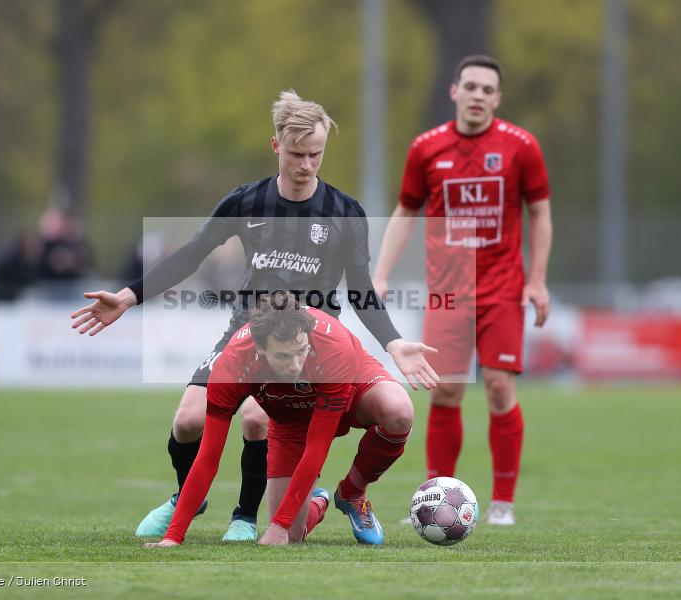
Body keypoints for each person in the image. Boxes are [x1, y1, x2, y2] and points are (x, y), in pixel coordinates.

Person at [71, 90, 437, 541]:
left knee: (267, 419)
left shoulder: (345, 212)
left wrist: (394, 341)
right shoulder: (246, 201)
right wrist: (128, 298)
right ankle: (189, 496)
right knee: (187, 421)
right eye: (297, 154)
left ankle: (253, 516)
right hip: (247, 331)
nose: (306, 165)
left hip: (316, 344)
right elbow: (191, 255)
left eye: (316, 154)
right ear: (276, 146)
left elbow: (360, 289)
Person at [372, 55, 553, 526]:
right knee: (446, 391)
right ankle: (433, 502)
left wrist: (536, 281)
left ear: (497, 98)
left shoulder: (520, 146)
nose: (477, 95)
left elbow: (540, 213)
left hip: (502, 288)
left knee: (498, 388)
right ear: (454, 91)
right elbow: (405, 213)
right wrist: (381, 274)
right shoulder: (426, 148)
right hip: (447, 293)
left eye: (487, 89)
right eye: (469, 86)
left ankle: (503, 503)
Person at [144, 293, 414, 547]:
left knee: (398, 410)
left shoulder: (334, 348)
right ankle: (317, 502)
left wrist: (280, 525)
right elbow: (208, 457)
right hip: (289, 418)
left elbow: (317, 446)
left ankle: (352, 492)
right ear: (259, 348)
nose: (295, 364)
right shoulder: (232, 366)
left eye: (301, 351)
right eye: (284, 356)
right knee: (293, 536)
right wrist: (173, 537)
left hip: (347, 386)